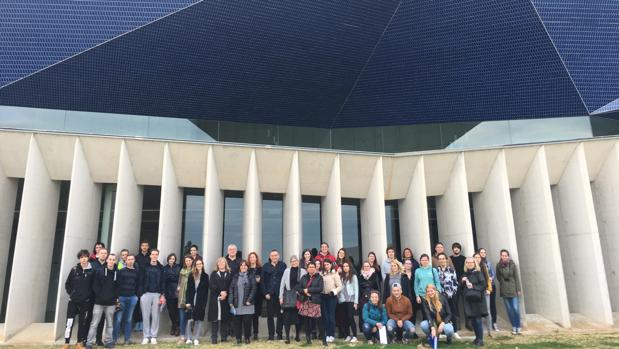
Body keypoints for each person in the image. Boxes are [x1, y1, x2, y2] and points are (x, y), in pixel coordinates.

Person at [86, 254, 118, 349]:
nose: (111, 261)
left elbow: (118, 288)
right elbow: (95, 286)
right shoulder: (99, 271)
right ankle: (89, 343)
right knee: (94, 323)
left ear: (115, 261)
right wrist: (101, 296)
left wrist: (113, 297)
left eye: (113, 260)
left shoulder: (117, 273)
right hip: (99, 302)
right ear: (107, 260)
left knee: (109, 324)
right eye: (110, 259)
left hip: (111, 303)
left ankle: (108, 341)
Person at [63, 249, 94, 349]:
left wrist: (87, 297)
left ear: (88, 257)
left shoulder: (92, 271)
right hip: (73, 301)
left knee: (83, 323)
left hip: (85, 302)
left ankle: (79, 343)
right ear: (79, 259)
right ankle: (66, 343)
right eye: (81, 257)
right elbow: (67, 284)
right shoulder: (74, 269)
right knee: (69, 322)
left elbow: (93, 287)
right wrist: (72, 294)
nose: (83, 259)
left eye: (85, 257)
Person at [138, 249, 166, 345]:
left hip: (157, 294)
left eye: (156, 254)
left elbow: (163, 282)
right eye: (153, 254)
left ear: (158, 256)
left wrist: (162, 295)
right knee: (145, 316)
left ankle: (153, 336)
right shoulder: (144, 267)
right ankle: (146, 336)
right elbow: (140, 280)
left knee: (155, 316)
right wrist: (141, 294)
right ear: (150, 256)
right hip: (146, 294)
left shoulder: (161, 268)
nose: (154, 256)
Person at [296, 262, 326, 345]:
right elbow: (298, 288)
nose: (311, 268)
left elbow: (320, 288)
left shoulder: (319, 277)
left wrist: (308, 290)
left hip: (315, 301)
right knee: (306, 322)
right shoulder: (304, 277)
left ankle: (324, 340)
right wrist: (305, 292)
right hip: (305, 301)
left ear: (315, 268)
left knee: (319, 321)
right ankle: (308, 340)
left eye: (313, 267)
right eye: (310, 267)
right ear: (307, 268)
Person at [462, 257, 488, 347]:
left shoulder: (478, 273)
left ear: (474, 263)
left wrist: (472, 286)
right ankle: (477, 338)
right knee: (473, 320)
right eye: (467, 262)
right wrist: (462, 281)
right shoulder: (465, 274)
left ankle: (480, 340)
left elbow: (484, 285)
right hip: (469, 300)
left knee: (477, 320)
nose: (469, 264)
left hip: (477, 300)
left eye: (471, 262)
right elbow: (460, 286)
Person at [113, 254, 139, 345]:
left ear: (134, 260)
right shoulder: (121, 271)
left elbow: (138, 285)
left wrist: (136, 296)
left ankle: (127, 340)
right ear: (126, 260)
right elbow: (116, 285)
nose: (130, 261)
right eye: (128, 259)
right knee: (118, 319)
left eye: (132, 259)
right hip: (121, 298)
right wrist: (117, 298)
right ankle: (114, 340)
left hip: (132, 298)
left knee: (128, 319)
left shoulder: (136, 272)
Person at [279, 255, 306, 343]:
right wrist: (281, 296)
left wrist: (301, 292)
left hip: (298, 297)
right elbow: (282, 284)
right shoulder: (286, 271)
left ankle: (297, 336)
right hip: (288, 296)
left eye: (295, 261)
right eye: (292, 261)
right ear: (290, 262)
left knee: (298, 318)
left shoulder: (303, 271)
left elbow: (305, 284)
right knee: (287, 318)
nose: (294, 262)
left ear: (298, 261)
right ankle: (287, 337)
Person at [261, 249, 286, 340]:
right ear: (270, 257)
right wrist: (265, 293)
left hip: (280, 295)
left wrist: (283, 294)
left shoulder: (283, 265)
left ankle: (279, 334)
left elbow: (285, 280)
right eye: (272, 255)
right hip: (269, 295)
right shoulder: (265, 266)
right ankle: (271, 335)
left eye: (275, 255)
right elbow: (262, 282)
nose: (274, 257)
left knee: (280, 315)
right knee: (270, 316)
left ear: (278, 256)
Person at [495, 249, 522, 335]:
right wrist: (503, 283)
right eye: (502, 255)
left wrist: (518, 289)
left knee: (515, 309)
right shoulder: (498, 265)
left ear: (508, 256)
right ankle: (513, 326)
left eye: (506, 255)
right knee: (509, 310)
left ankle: (518, 326)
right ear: (500, 256)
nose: (504, 257)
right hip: (504, 290)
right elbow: (498, 277)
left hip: (513, 289)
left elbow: (516, 277)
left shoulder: (513, 265)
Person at [230, 260, 257, 344]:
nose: (243, 267)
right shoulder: (235, 276)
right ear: (239, 267)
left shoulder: (251, 276)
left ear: (247, 267)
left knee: (247, 322)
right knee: (237, 323)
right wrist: (230, 302)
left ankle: (247, 338)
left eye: (245, 265)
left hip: (248, 304)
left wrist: (249, 300)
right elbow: (231, 289)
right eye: (242, 265)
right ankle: (238, 338)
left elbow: (254, 288)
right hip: (237, 303)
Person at [436, 252, 461, 339]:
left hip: (451, 296)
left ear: (446, 260)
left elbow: (455, 283)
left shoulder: (451, 270)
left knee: (453, 313)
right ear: (438, 261)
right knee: (442, 314)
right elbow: (436, 284)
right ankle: (442, 332)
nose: (442, 260)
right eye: (440, 259)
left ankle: (455, 331)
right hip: (441, 297)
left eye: (443, 258)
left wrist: (452, 293)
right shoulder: (435, 271)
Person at [185, 258, 209, 346]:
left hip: (200, 301)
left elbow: (206, 292)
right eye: (197, 264)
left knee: (199, 320)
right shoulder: (191, 275)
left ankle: (196, 338)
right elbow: (188, 290)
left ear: (202, 265)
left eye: (200, 264)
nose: (199, 265)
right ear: (195, 265)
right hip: (191, 300)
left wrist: (204, 303)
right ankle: (189, 338)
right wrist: (187, 301)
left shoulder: (206, 276)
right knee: (190, 320)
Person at [208, 257, 233, 344]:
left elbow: (231, 285)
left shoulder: (229, 274)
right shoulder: (213, 274)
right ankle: (214, 338)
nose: (222, 264)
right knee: (215, 319)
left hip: (226, 299)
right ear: (217, 264)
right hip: (215, 299)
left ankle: (224, 337)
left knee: (224, 319)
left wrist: (225, 293)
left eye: (223, 262)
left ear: (226, 264)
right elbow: (211, 285)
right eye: (220, 262)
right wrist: (220, 292)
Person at [321, 258, 342, 343]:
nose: (326, 266)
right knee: (325, 316)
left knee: (331, 316)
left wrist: (334, 291)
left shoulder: (335, 274)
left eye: (327, 264)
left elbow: (340, 286)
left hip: (332, 296)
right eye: (325, 265)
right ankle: (327, 334)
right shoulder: (322, 274)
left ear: (330, 265)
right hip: (323, 296)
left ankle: (332, 335)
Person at [90, 247, 108, 345]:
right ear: (98, 254)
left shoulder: (109, 266)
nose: (103, 255)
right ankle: (89, 339)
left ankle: (98, 339)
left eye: (105, 253)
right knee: (92, 319)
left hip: (104, 298)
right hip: (93, 296)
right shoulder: (92, 265)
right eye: (102, 253)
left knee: (101, 319)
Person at [338, 261, 358, 343]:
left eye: (347, 266)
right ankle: (347, 335)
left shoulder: (353, 277)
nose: (345, 267)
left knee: (350, 317)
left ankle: (355, 336)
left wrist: (356, 302)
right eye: (344, 266)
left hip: (351, 300)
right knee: (344, 319)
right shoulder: (341, 277)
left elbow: (356, 289)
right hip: (343, 300)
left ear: (350, 267)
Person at [474, 252, 493, 338]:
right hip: (476, 292)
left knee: (487, 311)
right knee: (478, 311)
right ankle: (480, 331)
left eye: (479, 257)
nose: (477, 258)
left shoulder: (483, 267)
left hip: (485, 291)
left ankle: (490, 330)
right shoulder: (472, 267)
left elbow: (488, 279)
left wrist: (489, 289)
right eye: (476, 257)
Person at [358, 261, 381, 333]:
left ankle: (375, 329)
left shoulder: (374, 275)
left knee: (373, 312)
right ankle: (364, 329)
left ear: (370, 267)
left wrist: (377, 297)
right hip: (363, 297)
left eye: (368, 266)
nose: (366, 267)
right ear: (363, 267)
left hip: (373, 297)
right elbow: (359, 287)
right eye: (365, 266)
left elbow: (377, 286)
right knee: (364, 312)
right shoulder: (360, 275)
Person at [479, 248, 498, 332]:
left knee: (492, 305)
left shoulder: (488, 263)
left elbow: (493, 274)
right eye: (481, 252)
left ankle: (494, 323)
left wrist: (491, 278)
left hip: (490, 286)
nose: (483, 254)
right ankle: (485, 323)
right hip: (483, 287)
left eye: (484, 252)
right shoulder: (477, 264)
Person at [176, 255, 194, 344]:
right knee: (182, 318)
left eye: (189, 260)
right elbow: (179, 284)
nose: (188, 262)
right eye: (186, 260)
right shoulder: (182, 271)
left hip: (190, 297)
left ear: (192, 261)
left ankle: (190, 337)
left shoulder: (194, 271)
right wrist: (178, 291)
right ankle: (182, 337)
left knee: (190, 319)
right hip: (182, 298)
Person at [134, 240, 151, 333]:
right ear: (141, 247)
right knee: (137, 304)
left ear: (148, 247)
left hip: (147, 283)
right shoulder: (136, 257)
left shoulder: (150, 257)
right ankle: (137, 322)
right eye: (143, 245)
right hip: (137, 283)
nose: (144, 247)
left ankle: (144, 323)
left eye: (146, 245)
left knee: (146, 305)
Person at [163, 253, 181, 336]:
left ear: (175, 260)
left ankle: (176, 327)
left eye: (173, 259)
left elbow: (179, 278)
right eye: (170, 258)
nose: (171, 260)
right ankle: (174, 325)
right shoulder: (165, 268)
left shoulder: (178, 267)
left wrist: (171, 278)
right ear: (168, 259)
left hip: (177, 291)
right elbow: (164, 279)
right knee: (170, 311)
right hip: (168, 291)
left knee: (177, 310)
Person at [450, 242, 466, 331]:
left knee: (466, 304)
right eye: (454, 248)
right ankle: (457, 323)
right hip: (453, 285)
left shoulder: (464, 258)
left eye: (458, 248)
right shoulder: (450, 258)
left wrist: (461, 281)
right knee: (454, 305)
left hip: (463, 284)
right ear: (452, 249)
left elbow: (465, 270)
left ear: (460, 249)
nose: (456, 249)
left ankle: (469, 323)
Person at [401, 258, 419, 336]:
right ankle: (405, 332)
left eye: (409, 264)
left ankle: (413, 331)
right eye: (406, 263)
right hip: (404, 298)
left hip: (414, 297)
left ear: (411, 266)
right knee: (405, 315)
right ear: (404, 265)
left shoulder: (415, 275)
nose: (408, 265)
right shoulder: (401, 275)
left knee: (413, 314)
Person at [247, 251, 263, 340]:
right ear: (249, 259)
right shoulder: (246, 269)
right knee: (248, 315)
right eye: (251, 257)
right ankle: (248, 333)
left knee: (256, 315)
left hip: (258, 295)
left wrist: (259, 281)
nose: (252, 258)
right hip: (248, 295)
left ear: (256, 258)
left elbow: (264, 281)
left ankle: (256, 334)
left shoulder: (260, 269)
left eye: (254, 257)